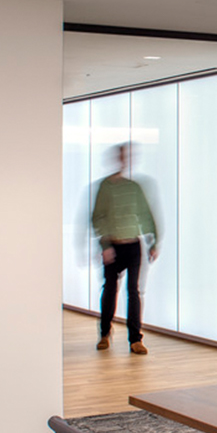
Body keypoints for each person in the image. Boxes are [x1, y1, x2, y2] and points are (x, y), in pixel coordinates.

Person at [90, 142, 159, 354]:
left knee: (134, 292)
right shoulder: (105, 187)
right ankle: (104, 333)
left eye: (128, 156)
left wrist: (153, 241)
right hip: (113, 246)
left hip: (133, 245)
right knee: (110, 290)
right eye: (121, 156)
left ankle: (135, 339)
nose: (125, 160)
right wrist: (106, 244)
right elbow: (97, 217)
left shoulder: (134, 187)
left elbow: (146, 214)